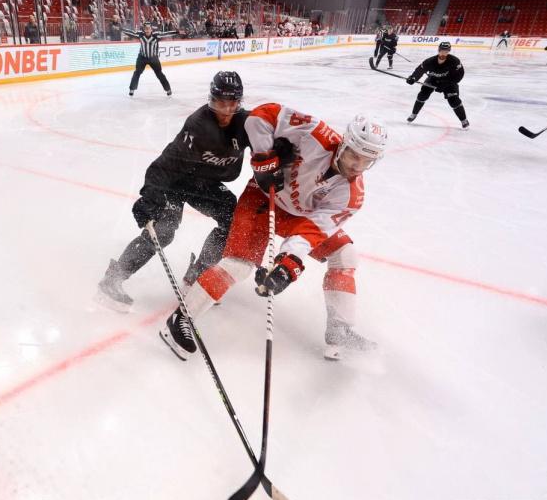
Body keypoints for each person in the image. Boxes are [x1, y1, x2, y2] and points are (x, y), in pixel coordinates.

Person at [160, 105, 386, 361]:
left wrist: (286, 266)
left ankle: (339, 330)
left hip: (298, 217)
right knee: (238, 265)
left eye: (367, 161)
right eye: (354, 155)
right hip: (262, 198)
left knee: (345, 255)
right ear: (344, 143)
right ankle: (181, 318)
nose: (358, 165)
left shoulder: (351, 196)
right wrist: (264, 159)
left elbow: (311, 230)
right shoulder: (315, 133)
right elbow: (260, 116)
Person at [97, 72, 251, 310]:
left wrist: (278, 156)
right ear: (212, 100)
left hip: (204, 183)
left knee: (233, 218)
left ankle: (198, 276)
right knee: (164, 231)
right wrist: (149, 198)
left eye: (233, 104)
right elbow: (165, 165)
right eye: (221, 103)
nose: (227, 111)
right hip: (176, 180)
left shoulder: (247, 123)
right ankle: (112, 279)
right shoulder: (198, 125)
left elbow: (270, 138)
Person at [406, 41, 469, 129]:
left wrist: (446, 84)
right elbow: (419, 70)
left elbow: (460, 74)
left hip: (449, 81)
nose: (443, 53)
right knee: (422, 95)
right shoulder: (430, 61)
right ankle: (414, 114)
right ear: (438, 50)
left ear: (449, 51)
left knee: (454, 100)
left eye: (446, 51)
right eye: (442, 50)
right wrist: (413, 78)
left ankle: (464, 120)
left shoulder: (454, 61)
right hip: (433, 80)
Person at [123, 21, 177, 96]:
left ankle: (168, 89)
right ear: (144, 29)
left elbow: (166, 34)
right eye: (146, 28)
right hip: (142, 57)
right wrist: (122, 29)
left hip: (153, 58)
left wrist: (177, 32)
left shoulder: (156, 35)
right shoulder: (140, 34)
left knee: (159, 74)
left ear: (151, 29)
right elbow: (131, 33)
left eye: (149, 28)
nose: (147, 30)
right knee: (137, 72)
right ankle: (132, 89)